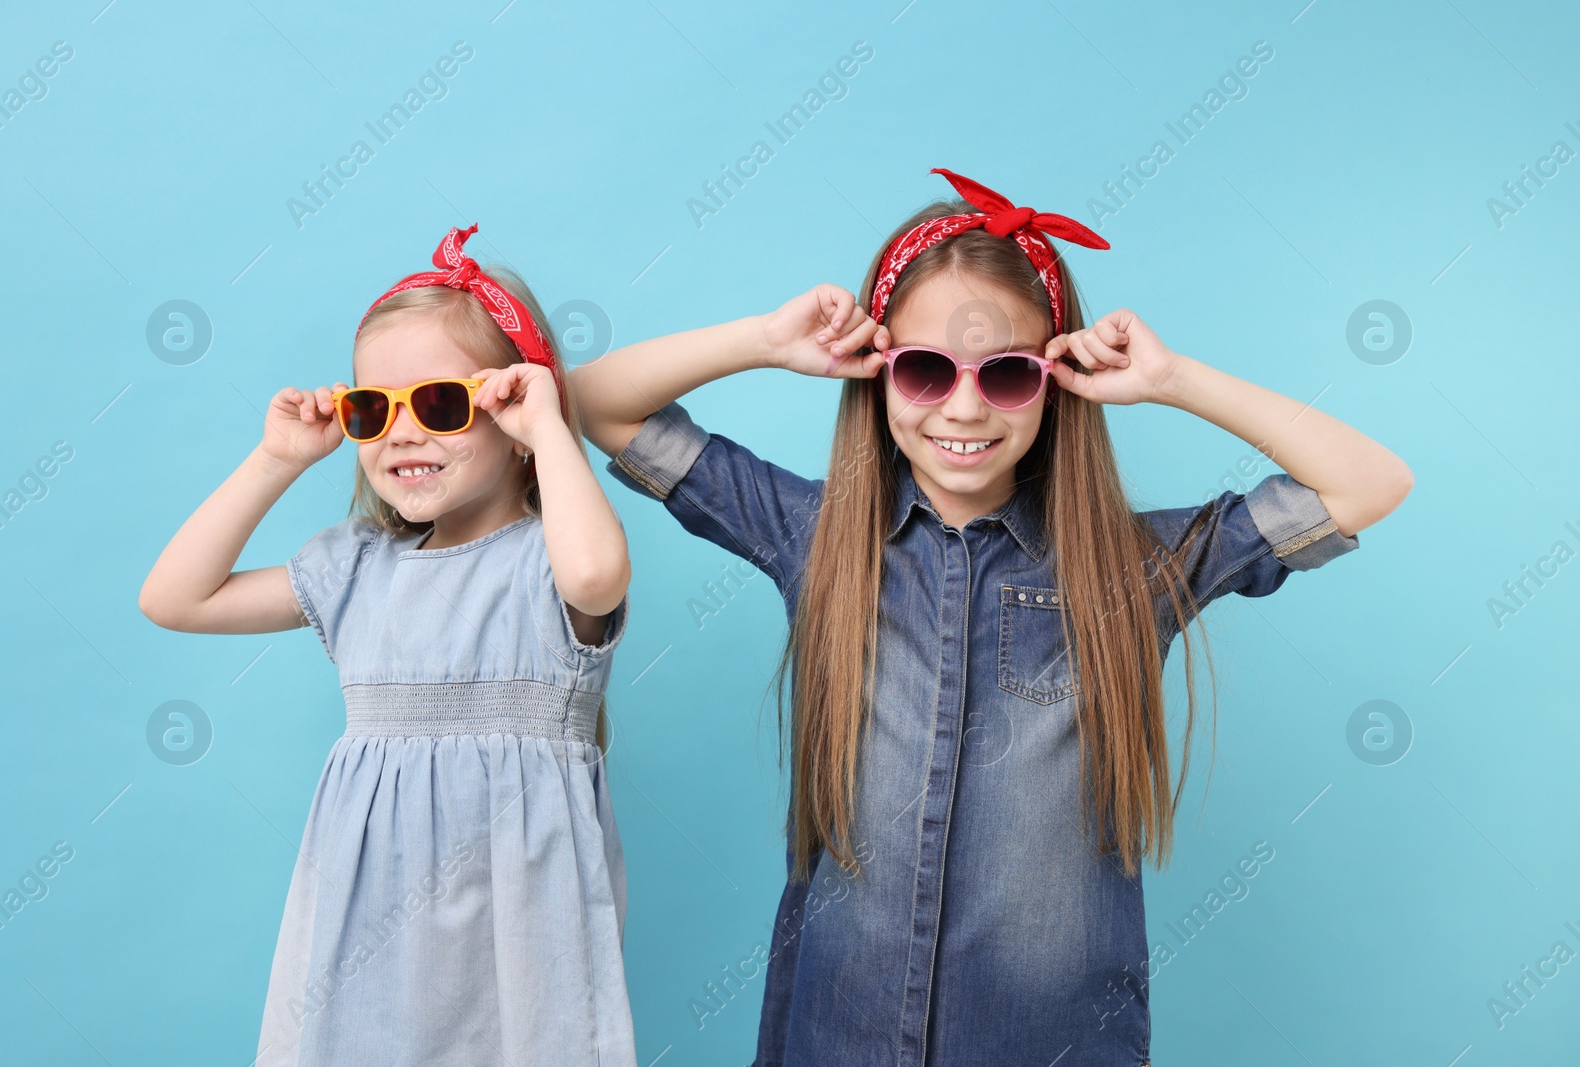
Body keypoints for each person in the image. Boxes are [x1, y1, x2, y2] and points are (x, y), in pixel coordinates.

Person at [571, 169, 1413, 1066]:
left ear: (1054, 383)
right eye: (926, 369)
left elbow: (1368, 482)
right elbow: (593, 401)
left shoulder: (1132, 569)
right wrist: (766, 341)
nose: (964, 407)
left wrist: (1172, 379)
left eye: (1007, 374)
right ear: (880, 369)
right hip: (836, 1038)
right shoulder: (813, 534)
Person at [138, 225, 636, 1066]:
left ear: (513, 408)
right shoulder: (357, 568)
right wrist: (275, 459)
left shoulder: (547, 561)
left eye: (440, 404)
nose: (403, 433)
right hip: (364, 930)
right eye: (375, 409)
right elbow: (174, 598)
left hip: (520, 921)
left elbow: (597, 577)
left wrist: (553, 431)